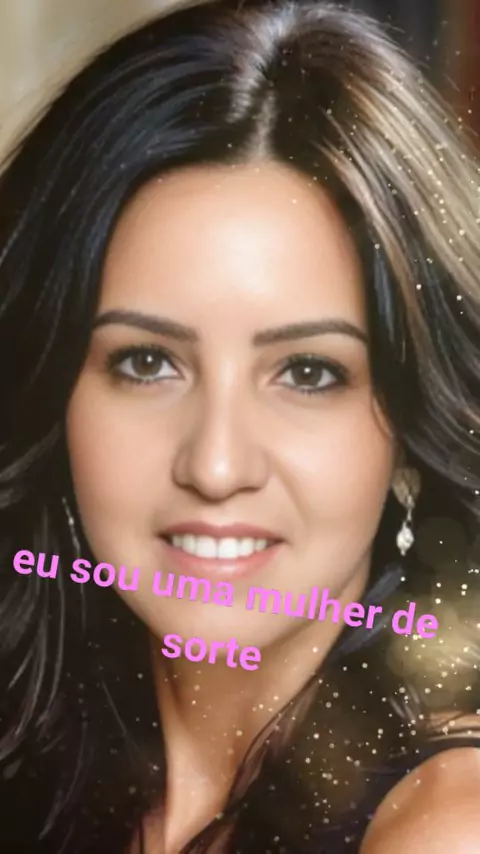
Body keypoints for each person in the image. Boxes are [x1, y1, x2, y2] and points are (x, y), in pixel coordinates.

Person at [0, 0, 479, 851]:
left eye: (308, 372)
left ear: (408, 428)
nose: (216, 465)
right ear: (53, 396)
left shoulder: (447, 824)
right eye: (147, 362)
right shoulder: (40, 755)